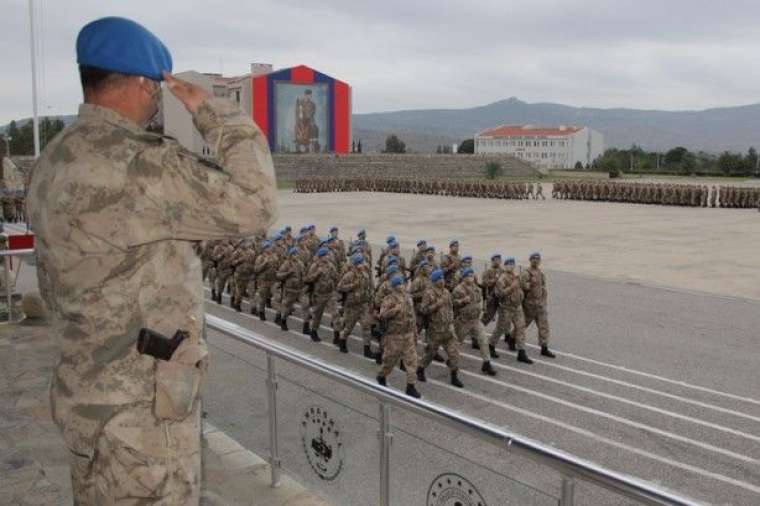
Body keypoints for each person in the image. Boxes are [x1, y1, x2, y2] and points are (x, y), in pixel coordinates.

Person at [26, 16, 277, 504]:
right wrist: (213, 113)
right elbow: (257, 202)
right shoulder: (143, 165)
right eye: (155, 89)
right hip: (140, 418)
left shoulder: (54, 159)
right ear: (144, 83)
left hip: (84, 397)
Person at [416, 269, 464, 388]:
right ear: (434, 281)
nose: (441, 281)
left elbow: (450, 307)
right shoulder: (429, 294)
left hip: (448, 330)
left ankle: (454, 376)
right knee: (430, 354)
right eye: (439, 279)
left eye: (442, 278)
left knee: (454, 354)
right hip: (435, 330)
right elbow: (423, 310)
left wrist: (452, 321)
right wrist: (437, 304)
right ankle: (420, 369)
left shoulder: (447, 292)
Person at [376, 275, 421, 398]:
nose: (402, 286)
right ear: (395, 287)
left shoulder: (408, 298)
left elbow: (412, 316)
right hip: (394, 337)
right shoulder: (389, 299)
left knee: (412, 361)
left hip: (408, 335)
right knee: (389, 361)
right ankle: (381, 376)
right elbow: (382, 315)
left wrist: (415, 332)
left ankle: (410, 386)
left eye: (403, 283)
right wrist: (394, 310)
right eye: (399, 284)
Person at [451, 268, 497, 376]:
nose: (471, 277)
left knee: (484, 340)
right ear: (464, 277)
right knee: (457, 344)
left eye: (472, 275)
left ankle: (486, 363)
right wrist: (462, 301)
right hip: (463, 321)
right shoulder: (458, 289)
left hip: (476, 320)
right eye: (468, 275)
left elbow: (480, 300)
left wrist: (482, 309)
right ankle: (452, 363)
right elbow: (452, 303)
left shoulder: (477, 289)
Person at [492, 257, 533, 363]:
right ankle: (491, 345)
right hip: (506, 308)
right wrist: (511, 288)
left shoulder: (516, 277)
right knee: (500, 328)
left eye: (512, 264)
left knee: (521, 328)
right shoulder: (502, 279)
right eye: (508, 264)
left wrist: (525, 286)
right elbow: (499, 294)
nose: (511, 266)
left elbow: (521, 288)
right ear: (505, 266)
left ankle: (521, 352)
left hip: (517, 307)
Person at [336, 254, 373, 354]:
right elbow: (340, 287)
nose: (362, 264)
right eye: (360, 262)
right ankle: (342, 342)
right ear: (356, 264)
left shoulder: (365, 274)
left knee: (366, 326)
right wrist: (352, 285)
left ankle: (367, 349)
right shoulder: (349, 275)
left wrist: (370, 300)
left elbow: (368, 288)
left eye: (362, 262)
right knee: (348, 328)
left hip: (363, 305)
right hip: (352, 306)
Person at [521, 252, 556, 358]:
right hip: (529, 305)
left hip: (540, 305)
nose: (536, 260)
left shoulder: (540, 273)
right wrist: (531, 283)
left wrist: (544, 301)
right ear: (530, 260)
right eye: (534, 258)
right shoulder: (526, 273)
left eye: (538, 259)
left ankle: (544, 347)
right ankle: (513, 338)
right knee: (523, 325)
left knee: (544, 326)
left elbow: (543, 287)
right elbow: (523, 287)